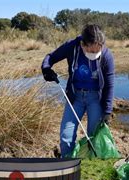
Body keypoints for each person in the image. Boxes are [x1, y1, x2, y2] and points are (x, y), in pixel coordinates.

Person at [41, 24, 115, 158]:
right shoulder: (72, 46)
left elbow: (109, 85)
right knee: (66, 137)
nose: (94, 55)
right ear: (82, 44)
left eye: (97, 51)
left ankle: (90, 167)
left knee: (93, 138)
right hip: (75, 97)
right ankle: (67, 164)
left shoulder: (106, 56)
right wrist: (46, 68)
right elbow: (50, 57)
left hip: (95, 99)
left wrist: (107, 111)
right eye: (91, 52)